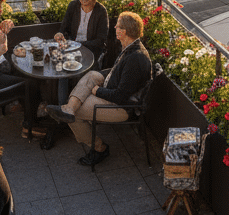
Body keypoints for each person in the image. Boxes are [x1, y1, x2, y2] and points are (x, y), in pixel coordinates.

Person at [46, 11, 153, 166]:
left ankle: (99, 148)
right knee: (91, 75)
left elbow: (120, 97)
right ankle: (68, 107)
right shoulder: (130, 46)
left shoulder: (135, 58)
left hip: (122, 107)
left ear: (123, 32)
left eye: (118, 26)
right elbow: (119, 74)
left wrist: (97, 91)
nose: (115, 27)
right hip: (113, 87)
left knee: (74, 114)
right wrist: (97, 81)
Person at [53, 0, 109, 104]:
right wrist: (59, 35)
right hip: (73, 48)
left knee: (84, 76)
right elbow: (63, 29)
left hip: (92, 52)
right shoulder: (73, 6)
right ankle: (63, 108)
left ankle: (79, 107)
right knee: (62, 71)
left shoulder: (101, 11)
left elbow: (101, 41)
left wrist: (79, 44)